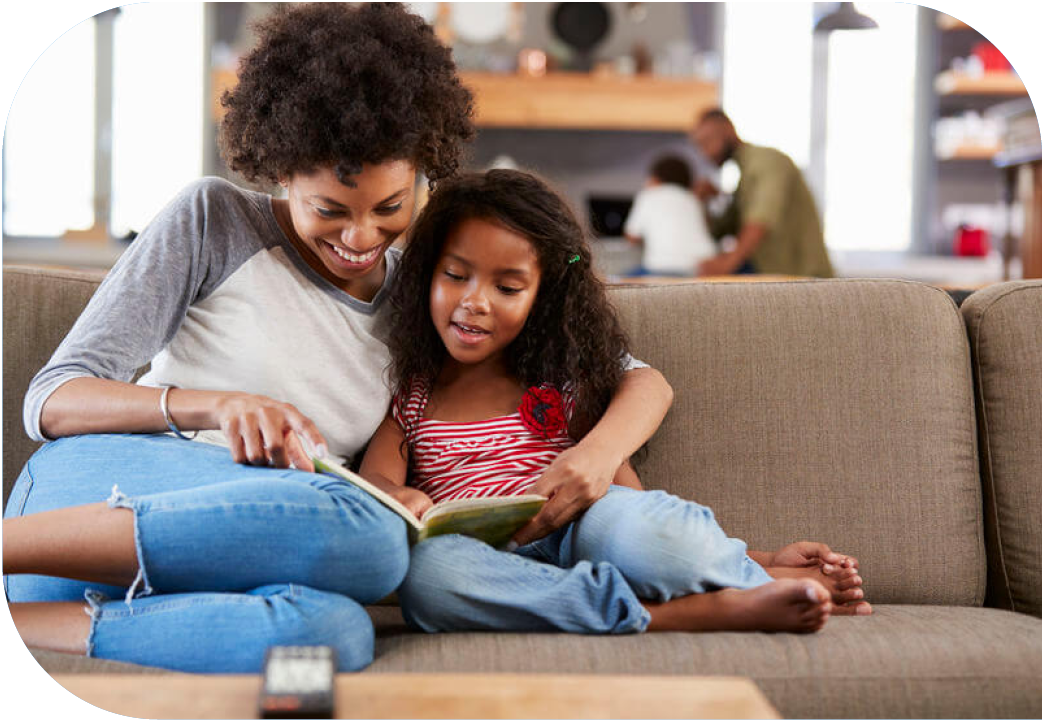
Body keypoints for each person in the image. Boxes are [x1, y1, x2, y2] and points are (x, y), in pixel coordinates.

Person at [2, 4, 673, 674]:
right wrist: (215, 405)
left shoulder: (432, 290)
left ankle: (28, 627)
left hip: (251, 544)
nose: (359, 239)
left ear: (422, 174)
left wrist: (597, 455)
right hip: (85, 507)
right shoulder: (214, 222)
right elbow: (51, 400)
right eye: (329, 210)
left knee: (335, 636)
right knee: (373, 537)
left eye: (389, 209)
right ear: (280, 170)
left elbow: (635, 377)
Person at [357, 169, 871, 637]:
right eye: (455, 276)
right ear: (426, 274)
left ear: (542, 296)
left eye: (508, 286)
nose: (475, 300)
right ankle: (683, 612)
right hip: (488, 561)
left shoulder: (559, 380)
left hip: (584, 531)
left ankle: (753, 574)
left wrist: (758, 553)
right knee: (429, 578)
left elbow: (633, 510)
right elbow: (377, 478)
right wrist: (397, 497)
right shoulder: (413, 395)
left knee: (648, 534)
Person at [691, 108, 834, 278]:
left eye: (707, 141)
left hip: (805, 279)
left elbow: (761, 218)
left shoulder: (767, 161)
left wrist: (727, 263)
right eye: (700, 146)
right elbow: (720, 231)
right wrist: (703, 202)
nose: (705, 153)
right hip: (775, 277)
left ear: (728, 129)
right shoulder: (743, 177)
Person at [623, 154, 716, 276]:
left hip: (662, 266)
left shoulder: (648, 195)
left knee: (618, 279)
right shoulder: (692, 198)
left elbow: (631, 237)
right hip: (703, 265)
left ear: (655, 179)